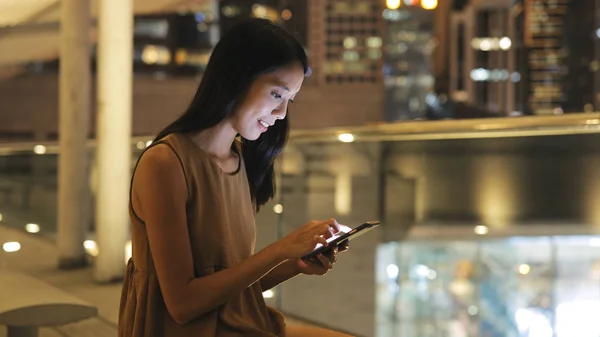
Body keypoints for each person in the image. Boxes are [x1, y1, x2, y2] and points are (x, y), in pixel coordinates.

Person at [118, 18, 353, 337]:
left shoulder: (241, 159)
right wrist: (282, 249)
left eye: (289, 100)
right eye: (276, 94)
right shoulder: (165, 164)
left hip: (231, 323)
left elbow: (229, 285)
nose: (282, 113)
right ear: (237, 79)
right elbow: (183, 304)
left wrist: (295, 262)